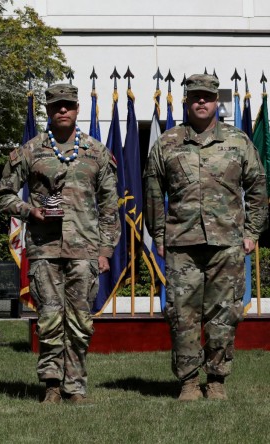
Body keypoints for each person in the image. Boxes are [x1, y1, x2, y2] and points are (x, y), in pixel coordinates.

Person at [144, 73, 267, 401]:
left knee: (224, 312)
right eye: (195, 96)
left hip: (227, 244)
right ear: (187, 100)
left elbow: (257, 187)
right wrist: (158, 234)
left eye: (207, 97)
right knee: (181, 314)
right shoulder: (168, 143)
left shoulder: (238, 142)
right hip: (181, 244)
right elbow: (154, 191)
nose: (201, 101)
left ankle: (216, 380)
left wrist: (252, 232)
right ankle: (187, 381)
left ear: (217, 102)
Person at [0, 84, 120, 404]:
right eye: (56, 106)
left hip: (84, 250)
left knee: (80, 320)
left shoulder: (96, 151)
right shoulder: (30, 151)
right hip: (44, 249)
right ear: (48, 111)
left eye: (67, 105)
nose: (62, 110)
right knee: (49, 318)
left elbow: (109, 206)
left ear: (77, 109)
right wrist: (30, 211)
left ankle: (75, 386)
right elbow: (4, 196)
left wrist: (105, 250)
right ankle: (51, 384)